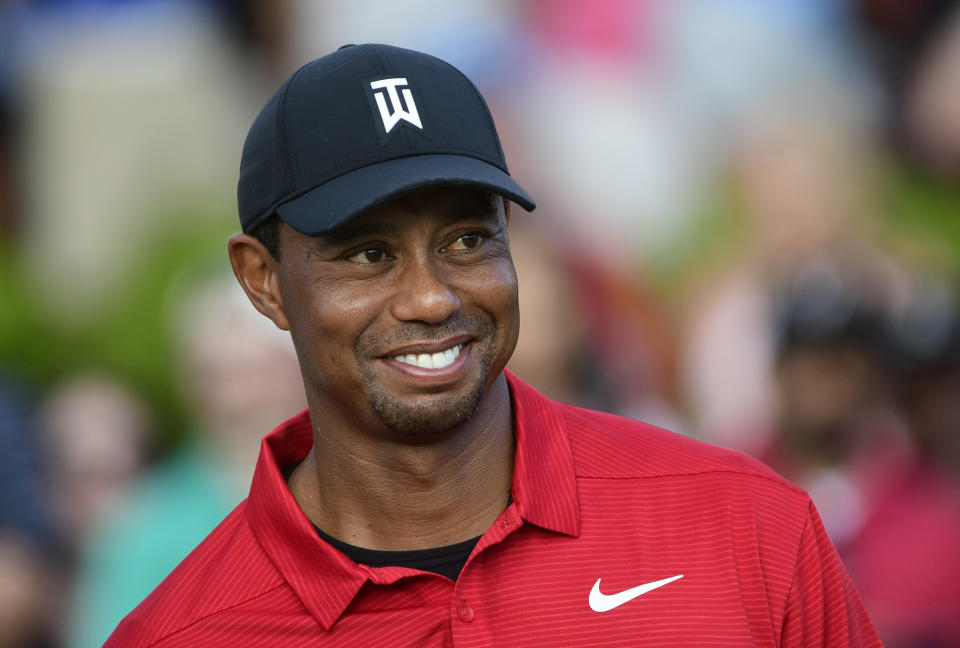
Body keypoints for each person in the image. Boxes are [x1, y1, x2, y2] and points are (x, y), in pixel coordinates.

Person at [106, 43, 881, 647]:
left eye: (469, 238)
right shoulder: (180, 632)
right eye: (369, 253)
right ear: (264, 281)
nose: (431, 296)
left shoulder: (743, 524)